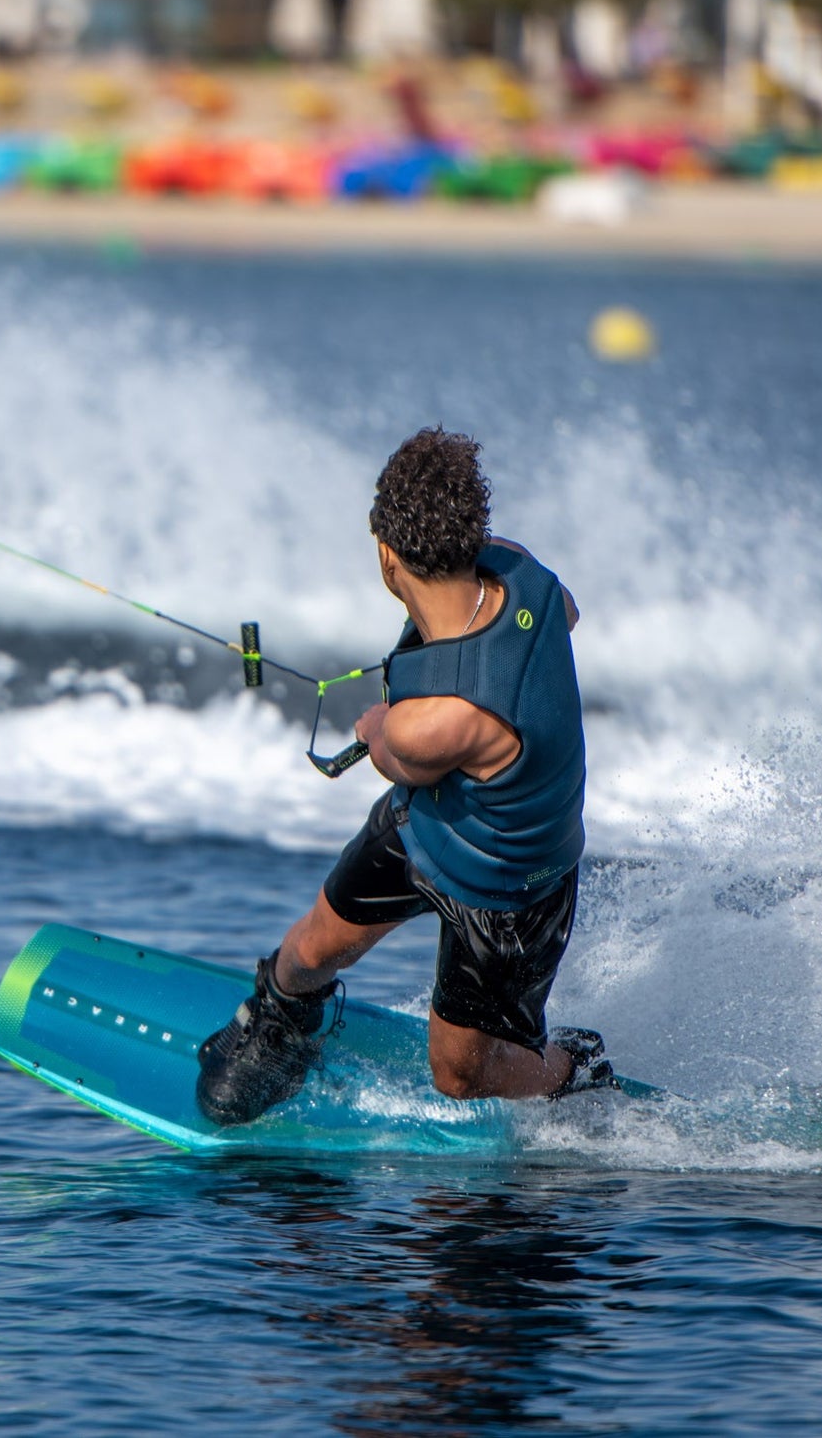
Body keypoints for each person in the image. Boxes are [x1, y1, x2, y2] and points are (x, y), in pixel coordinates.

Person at [196, 427, 616, 1126]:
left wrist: (374, 726)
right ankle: (279, 1019)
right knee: (310, 948)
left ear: (387, 556)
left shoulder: (435, 723)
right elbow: (562, 611)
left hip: (508, 888)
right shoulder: (518, 568)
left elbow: (391, 747)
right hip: (428, 823)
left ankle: (572, 1068)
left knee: (460, 1074)